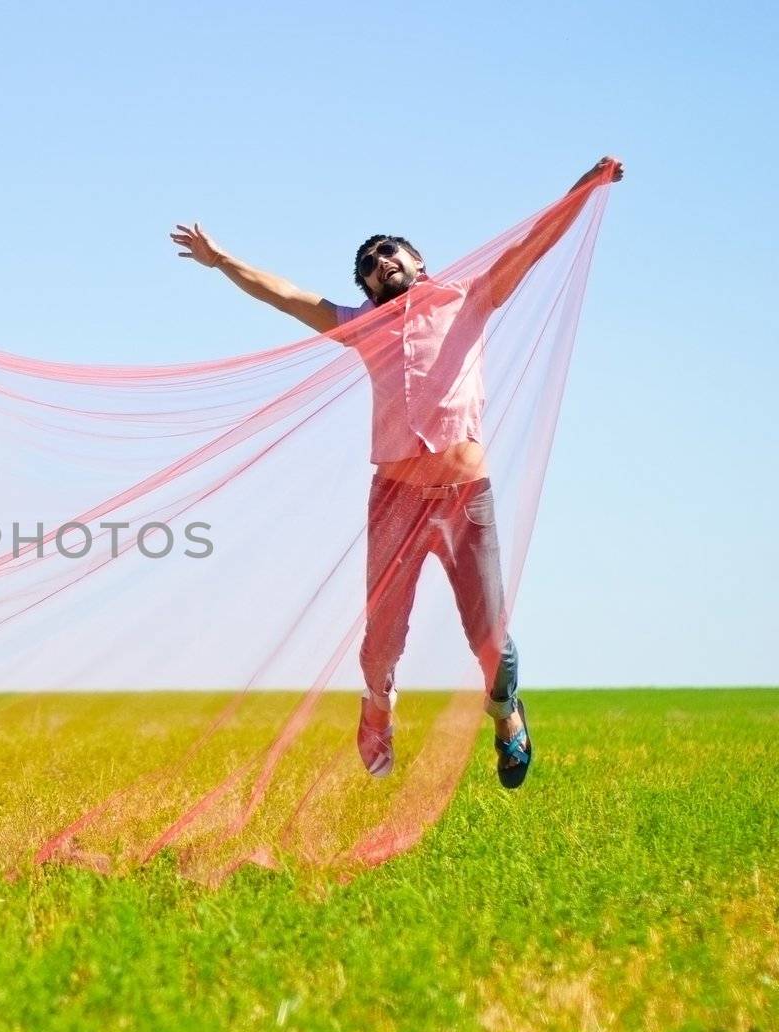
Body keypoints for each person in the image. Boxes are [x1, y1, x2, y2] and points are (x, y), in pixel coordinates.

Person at [170, 157, 623, 788]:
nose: (380, 262)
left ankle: (505, 713)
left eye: (390, 252)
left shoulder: (470, 300)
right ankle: (378, 705)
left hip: (466, 498)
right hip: (394, 499)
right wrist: (223, 262)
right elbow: (288, 296)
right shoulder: (363, 328)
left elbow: (532, 247)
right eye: (368, 265)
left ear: (419, 262)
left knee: (490, 638)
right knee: (383, 639)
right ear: (367, 289)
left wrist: (580, 193)